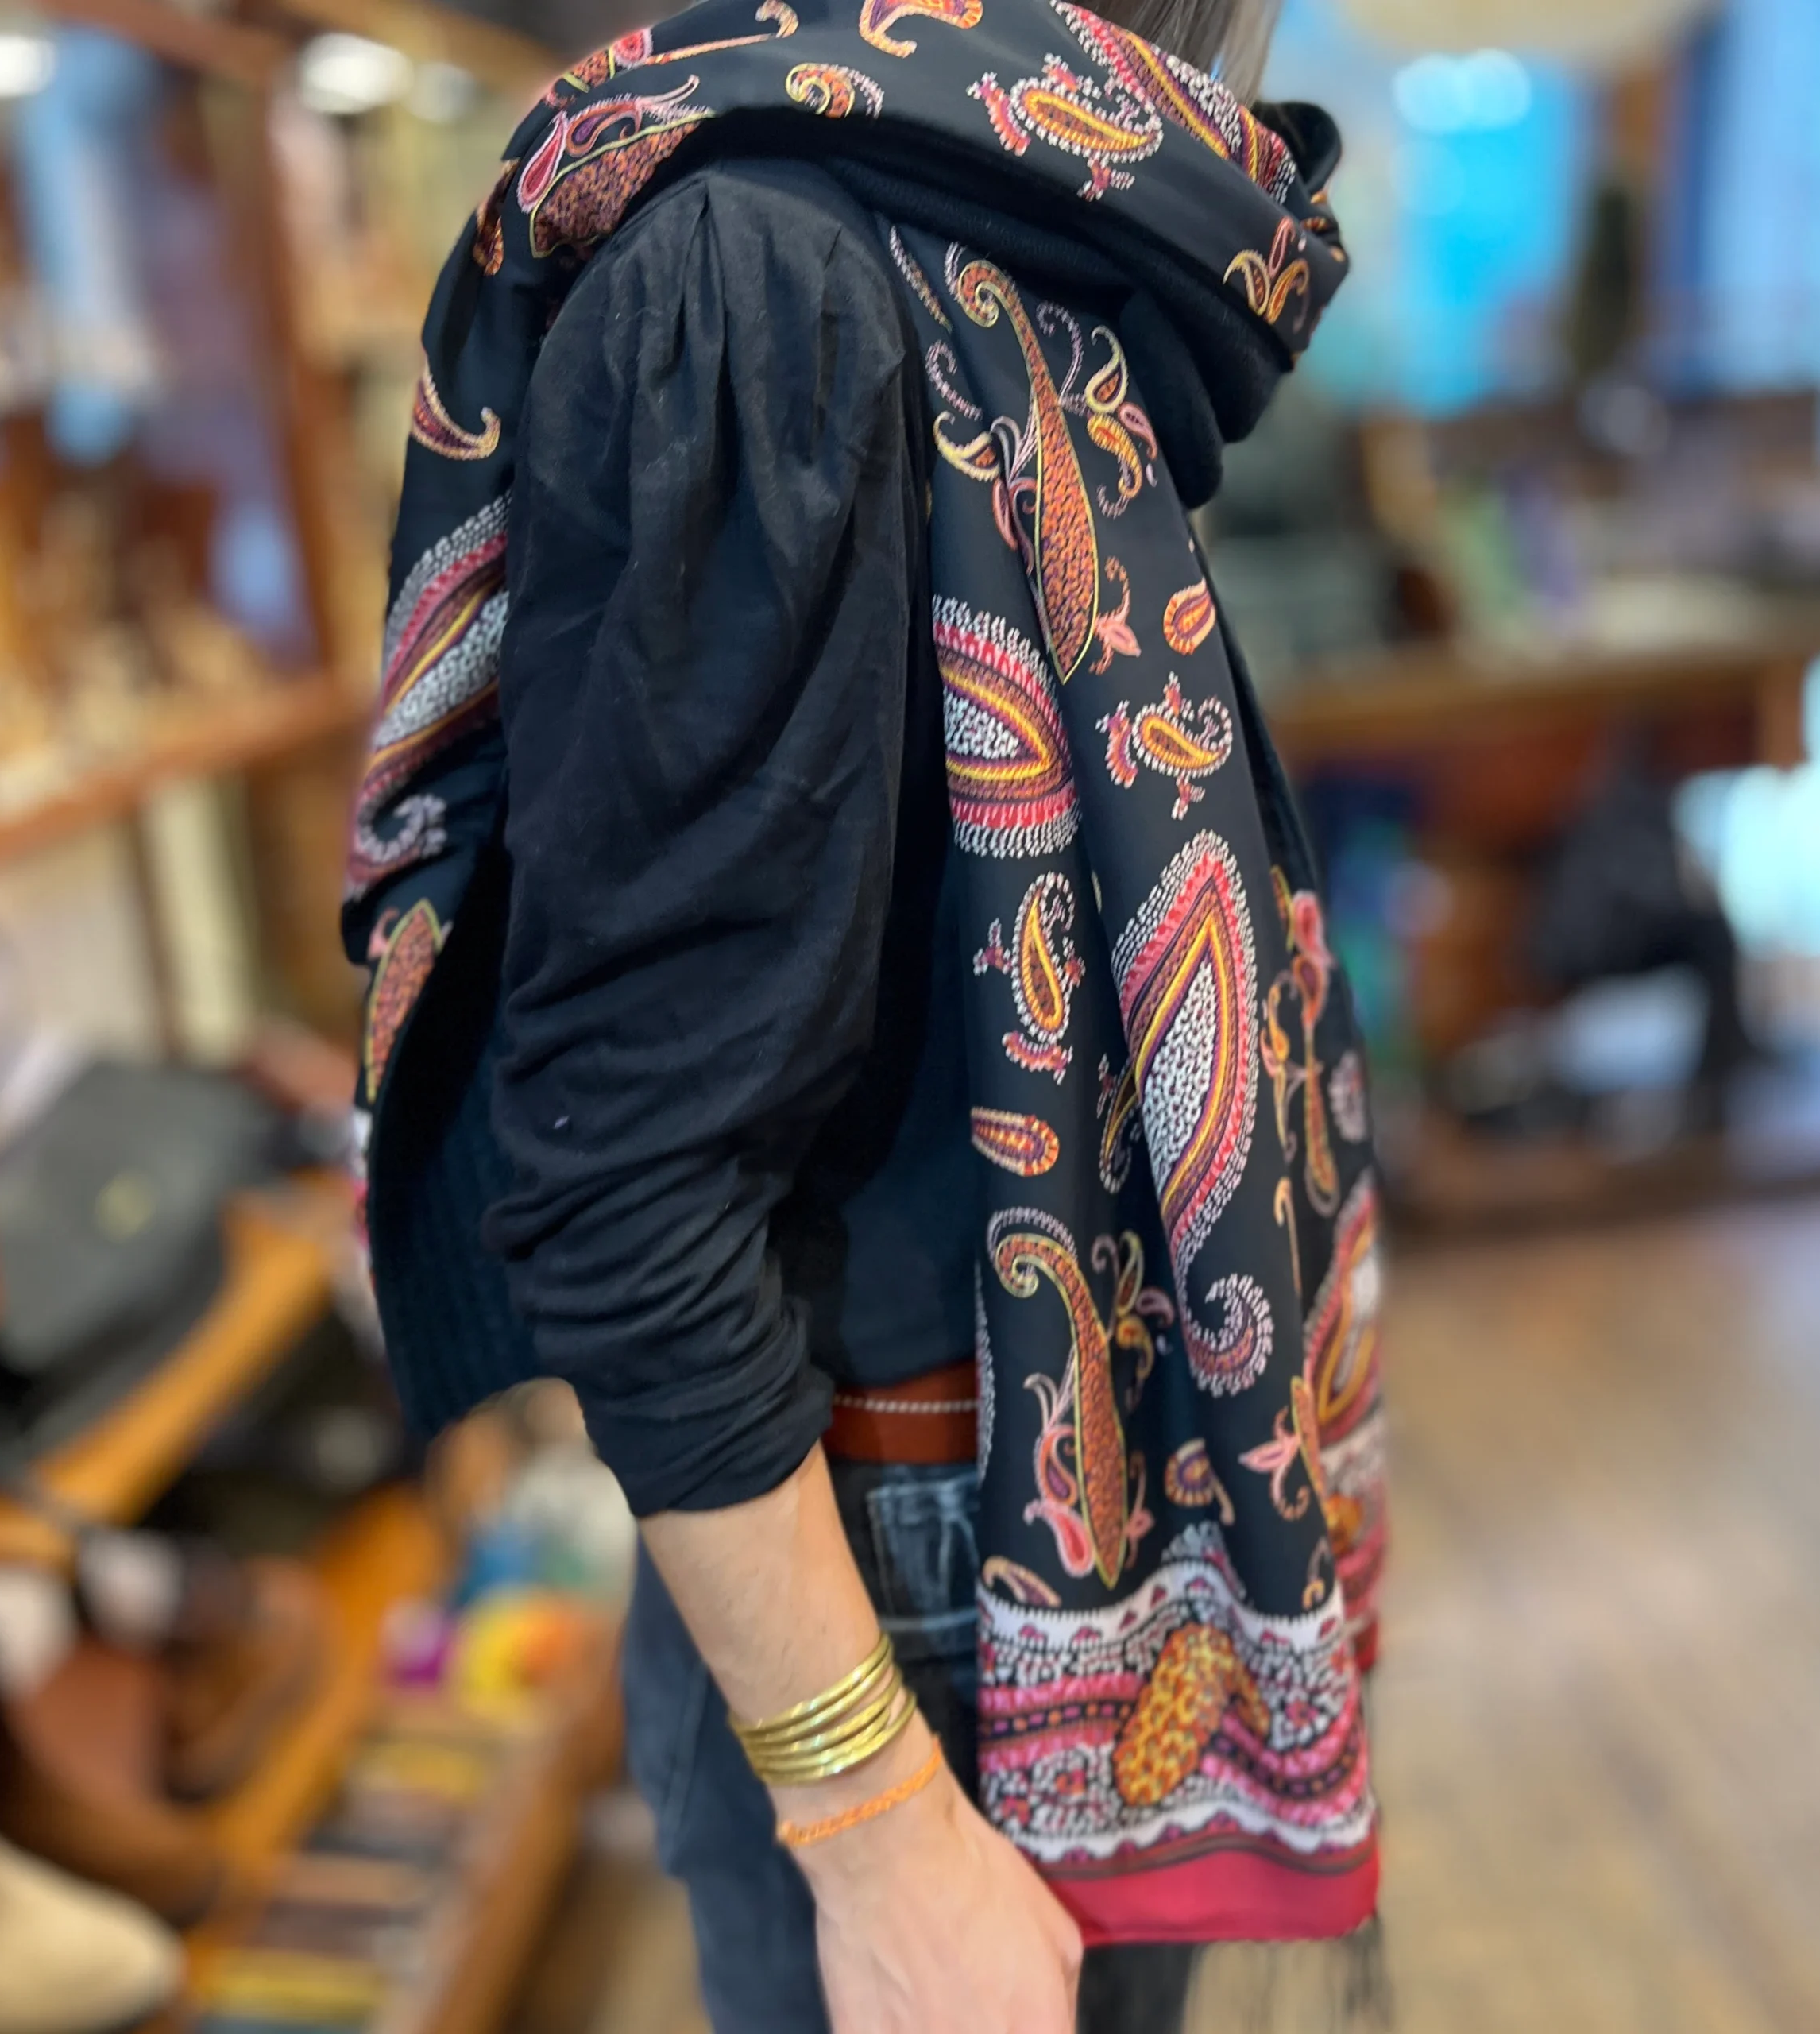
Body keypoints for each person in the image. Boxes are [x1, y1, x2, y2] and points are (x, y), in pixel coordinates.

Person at [342, 1, 1391, 2027]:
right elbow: (623, 1169)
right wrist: (878, 1825)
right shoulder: (769, 279)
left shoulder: (1017, 227)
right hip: (920, 1603)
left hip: (1025, 1531)